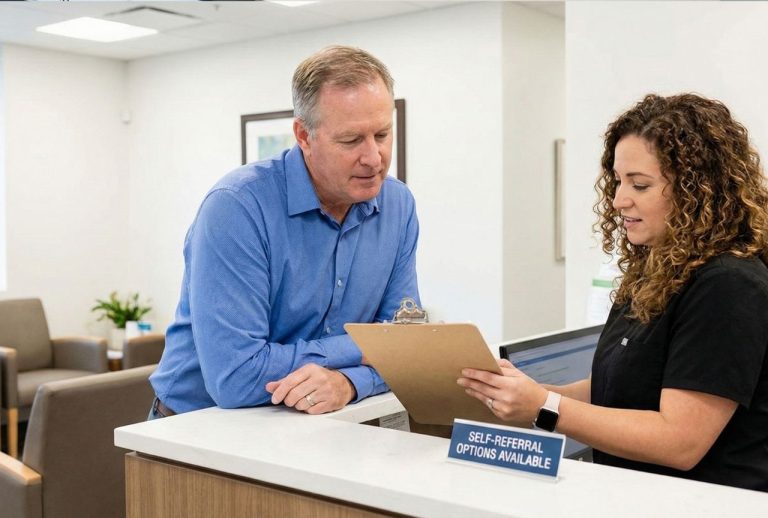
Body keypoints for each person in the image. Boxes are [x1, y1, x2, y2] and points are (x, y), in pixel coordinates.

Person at [458, 93, 768, 492]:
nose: (620, 199)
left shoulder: (729, 284)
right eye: (618, 180)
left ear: (698, 190)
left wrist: (546, 408)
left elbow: (681, 441)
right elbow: (619, 385)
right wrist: (525, 394)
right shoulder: (655, 268)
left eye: (640, 184)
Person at [149, 45, 419, 418]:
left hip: (318, 423)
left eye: (382, 134)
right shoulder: (238, 207)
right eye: (351, 140)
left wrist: (350, 383)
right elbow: (237, 378)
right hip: (197, 429)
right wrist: (364, 345)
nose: (373, 158)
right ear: (303, 136)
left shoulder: (398, 205)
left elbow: (408, 346)